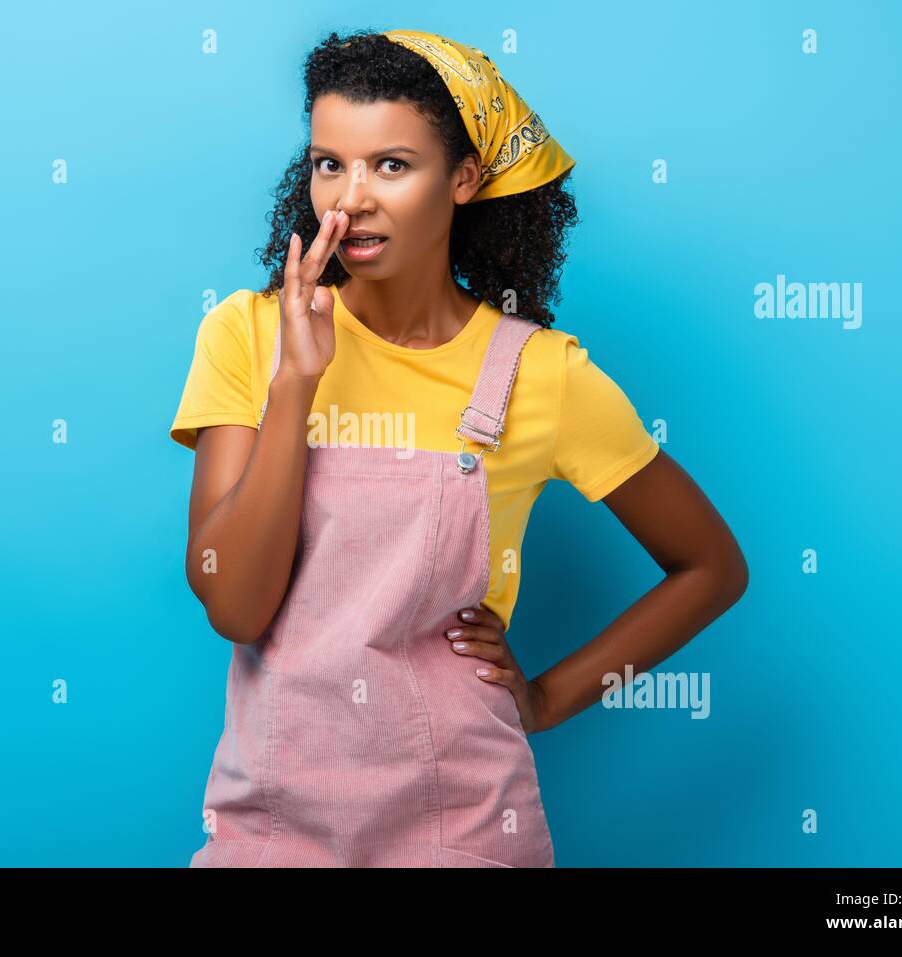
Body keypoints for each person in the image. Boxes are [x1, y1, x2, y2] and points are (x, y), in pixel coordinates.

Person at [169, 29, 748, 867]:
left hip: (463, 831)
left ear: (464, 179)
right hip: (272, 830)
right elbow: (235, 604)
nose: (351, 199)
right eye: (330, 162)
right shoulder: (250, 334)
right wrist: (295, 382)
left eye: (391, 166)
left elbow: (711, 568)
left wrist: (544, 698)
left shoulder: (540, 376)